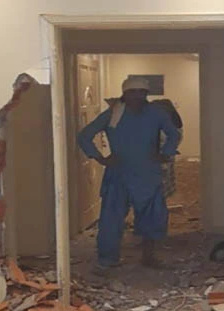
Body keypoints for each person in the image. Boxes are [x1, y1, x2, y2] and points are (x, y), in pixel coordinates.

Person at [77, 77, 181, 269]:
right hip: (119, 174)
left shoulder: (155, 113)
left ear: (146, 94)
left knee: (153, 217)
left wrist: (165, 154)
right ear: (124, 93)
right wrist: (100, 158)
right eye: (133, 92)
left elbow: (174, 133)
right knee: (111, 219)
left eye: (142, 92)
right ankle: (108, 259)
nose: (137, 96)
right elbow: (84, 136)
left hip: (148, 173)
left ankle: (148, 257)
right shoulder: (113, 114)